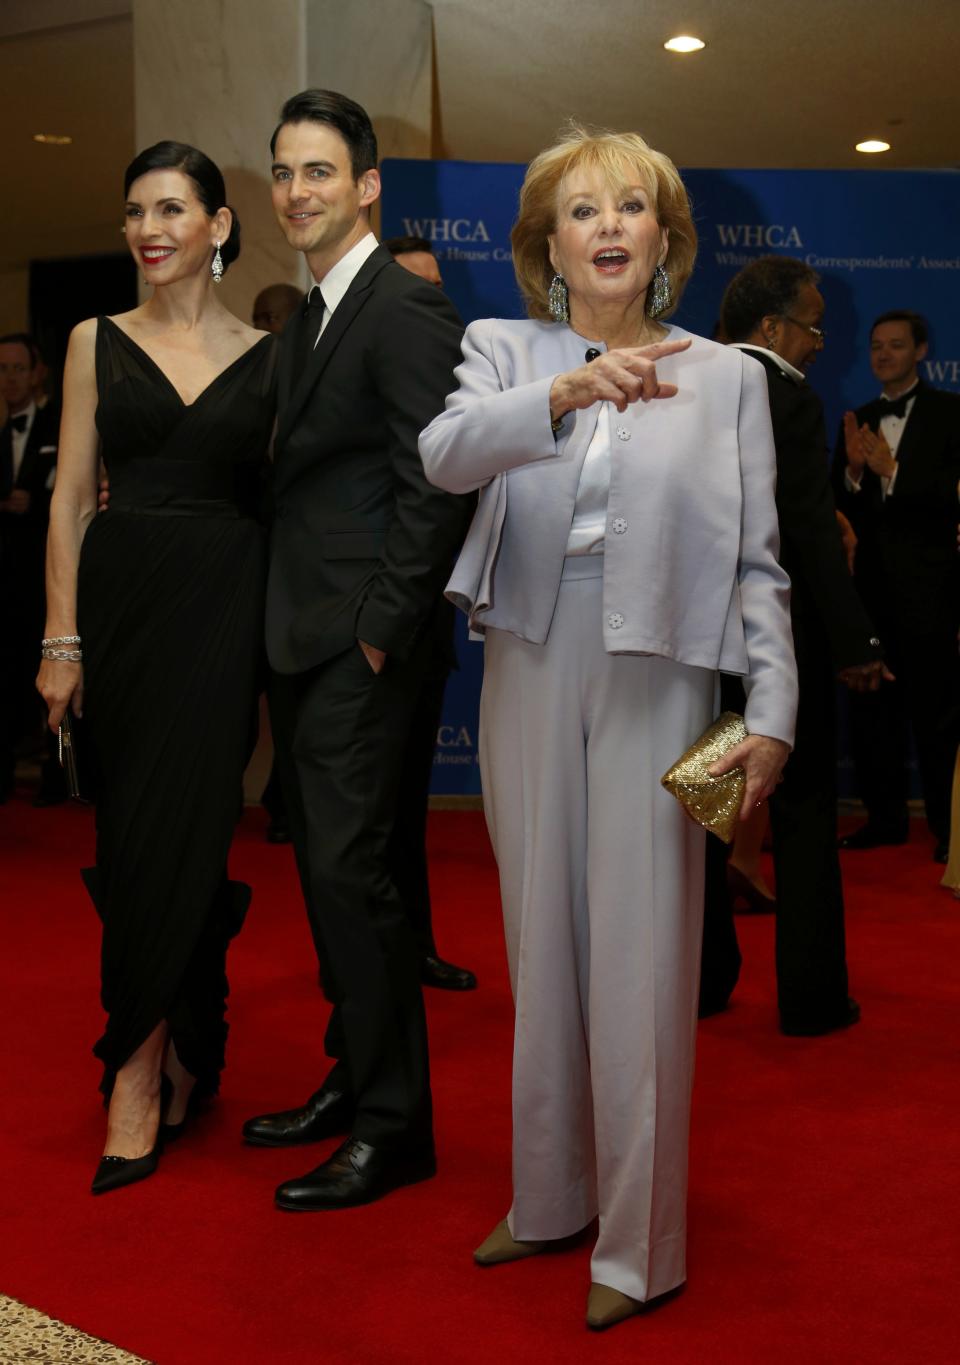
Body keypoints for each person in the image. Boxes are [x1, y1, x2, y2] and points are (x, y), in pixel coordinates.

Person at [419, 126, 798, 1330]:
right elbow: (443, 457)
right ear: (548, 244)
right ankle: (548, 1200)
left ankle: (643, 1245)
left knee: (642, 960)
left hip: (661, 670)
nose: (611, 227)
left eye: (632, 207)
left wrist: (773, 713)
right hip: (530, 659)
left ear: (666, 240)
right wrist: (569, 386)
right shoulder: (504, 349)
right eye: (584, 211)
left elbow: (758, 568)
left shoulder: (728, 375)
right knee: (542, 947)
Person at [241, 90, 472, 1210]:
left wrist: (380, 633)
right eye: (284, 172)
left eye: (320, 172)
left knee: (353, 875)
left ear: (367, 184)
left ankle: (395, 1126)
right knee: (330, 877)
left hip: (360, 646)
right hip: (304, 639)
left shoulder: (402, 308)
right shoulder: (311, 318)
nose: (297, 192)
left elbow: (437, 485)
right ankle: (354, 1078)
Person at [36, 141, 276, 1195]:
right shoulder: (95, 339)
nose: (149, 228)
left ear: (219, 226)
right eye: (136, 210)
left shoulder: (273, 356)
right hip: (124, 606)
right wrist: (60, 637)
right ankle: (138, 1062)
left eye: (172, 208)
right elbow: (69, 495)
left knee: (197, 829)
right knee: (134, 836)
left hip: (225, 608)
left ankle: (168, 1054)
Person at [700, 256, 888, 1034]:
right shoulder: (783, 392)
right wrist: (857, 640)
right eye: (812, 325)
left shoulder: (691, 379)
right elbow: (807, 533)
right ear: (773, 327)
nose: (818, 342)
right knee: (807, 815)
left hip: (703, 644)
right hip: (782, 640)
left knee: (707, 814)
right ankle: (811, 999)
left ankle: (704, 982)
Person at [383, 233, 477, 990]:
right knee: (366, 822)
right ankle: (367, 961)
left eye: (439, 288)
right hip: (370, 631)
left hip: (425, 637)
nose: (433, 302)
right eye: (418, 289)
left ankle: (413, 947)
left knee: (406, 811)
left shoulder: (460, 386)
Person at [832, 311, 960, 862]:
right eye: (876, 346)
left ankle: (947, 830)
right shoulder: (859, 418)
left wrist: (895, 472)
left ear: (921, 351)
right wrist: (856, 473)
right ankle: (882, 820)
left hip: (932, 594)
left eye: (896, 345)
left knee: (937, 714)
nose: (883, 355)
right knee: (872, 714)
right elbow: (838, 509)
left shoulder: (950, 413)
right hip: (872, 595)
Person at [0, 333, 62, 804]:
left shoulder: (59, 425)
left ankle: (56, 774)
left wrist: (33, 502)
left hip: (47, 571)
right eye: (2, 369)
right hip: (4, 575)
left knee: (52, 670)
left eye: (18, 368)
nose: (10, 377)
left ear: (36, 373)